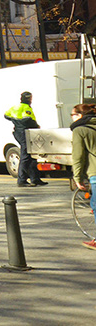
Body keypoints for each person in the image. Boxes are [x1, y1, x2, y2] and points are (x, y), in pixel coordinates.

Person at [70, 102, 96, 250]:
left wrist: (77, 177)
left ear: (80, 116)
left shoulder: (80, 130)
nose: (72, 117)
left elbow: (78, 156)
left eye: (73, 114)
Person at [4, 91, 45, 187]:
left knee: (31, 155)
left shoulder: (15, 107)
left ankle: (35, 179)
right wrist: (36, 126)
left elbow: (6, 115)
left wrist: (16, 122)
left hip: (18, 132)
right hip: (25, 133)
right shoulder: (26, 108)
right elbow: (30, 120)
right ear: (29, 99)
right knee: (26, 156)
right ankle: (21, 180)